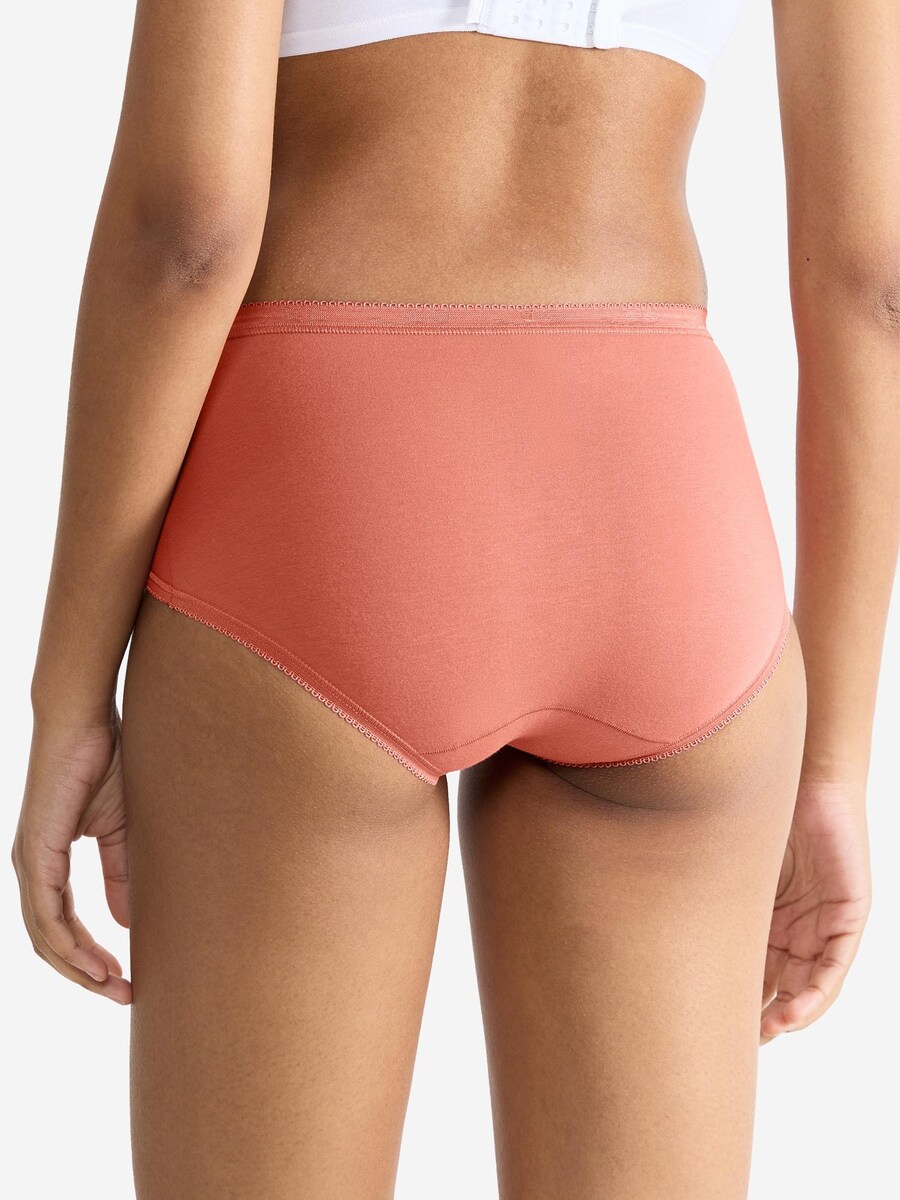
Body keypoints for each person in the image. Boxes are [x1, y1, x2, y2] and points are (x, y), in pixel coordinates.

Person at [11, 1, 897, 1196]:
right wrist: (833, 763)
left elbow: (188, 229)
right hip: (662, 508)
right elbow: (875, 287)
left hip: (327, 494)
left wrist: (68, 691)